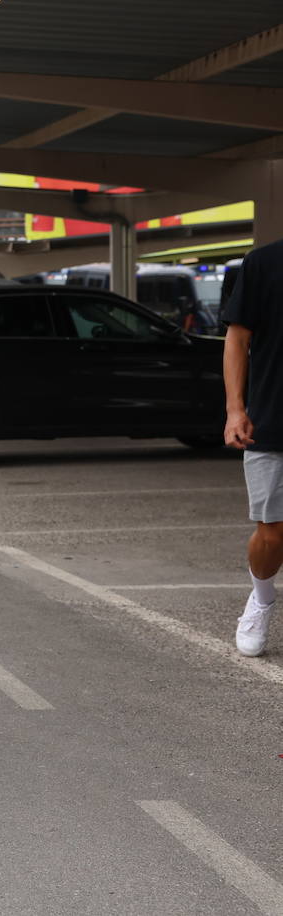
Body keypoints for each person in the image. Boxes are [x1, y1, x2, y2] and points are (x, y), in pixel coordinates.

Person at [223, 237, 283, 657]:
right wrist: (234, 409)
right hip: (273, 416)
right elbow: (237, 339)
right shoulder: (264, 263)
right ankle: (262, 599)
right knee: (272, 534)